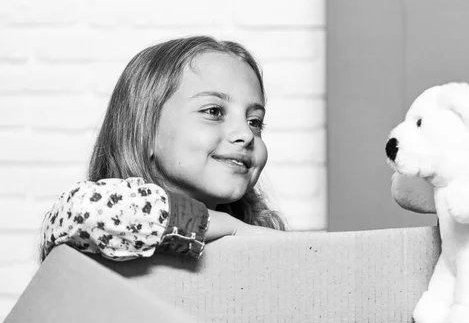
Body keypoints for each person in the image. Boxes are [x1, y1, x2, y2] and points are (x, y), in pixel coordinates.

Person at [39, 36, 287, 263]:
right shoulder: (94, 222)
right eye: (213, 111)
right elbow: (85, 212)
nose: (245, 134)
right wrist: (233, 228)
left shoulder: (262, 235)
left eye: (254, 121)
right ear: (144, 131)